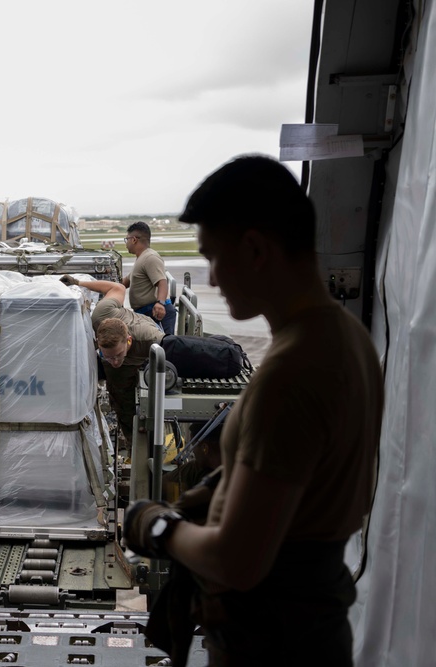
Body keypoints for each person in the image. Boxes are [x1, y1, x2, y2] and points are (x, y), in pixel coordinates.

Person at [123, 155, 383, 666]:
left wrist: (157, 527)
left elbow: (237, 562)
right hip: (310, 623)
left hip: (270, 641)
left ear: (257, 249)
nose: (214, 279)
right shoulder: (345, 337)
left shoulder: (292, 373)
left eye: (215, 258)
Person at [64, 275, 164, 442]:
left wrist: (80, 283)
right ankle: (133, 443)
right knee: (123, 403)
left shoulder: (150, 338)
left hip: (144, 353)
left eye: (117, 356)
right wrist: (76, 283)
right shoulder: (100, 316)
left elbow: (119, 288)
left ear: (128, 341)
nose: (115, 361)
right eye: (108, 356)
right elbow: (115, 288)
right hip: (124, 363)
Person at [123, 221, 176, 335]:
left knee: (164, 347)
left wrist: (160, 304)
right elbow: (126, 282)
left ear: (134, 240)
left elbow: (162, 282)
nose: (126, 243)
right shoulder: (141, 258)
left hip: (156, 312)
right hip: (146, 312)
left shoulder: (150, 258)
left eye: (126, 239)